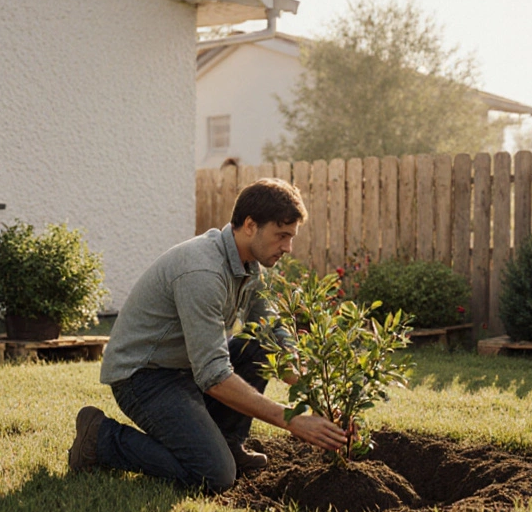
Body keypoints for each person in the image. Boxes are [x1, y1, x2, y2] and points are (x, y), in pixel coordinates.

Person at [67, 178, 347, 493]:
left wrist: (314, 397)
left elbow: (271, 333)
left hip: (183, 371)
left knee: (256, 346)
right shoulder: (203, 271)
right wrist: (293, 420)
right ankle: (100, 439)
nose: (288, 247)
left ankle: (227, 442)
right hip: (144, 377)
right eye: (282, 236)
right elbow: (213, 376)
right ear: (251, 226)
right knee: (214, 476)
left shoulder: (249, 265)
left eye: (291, 237)